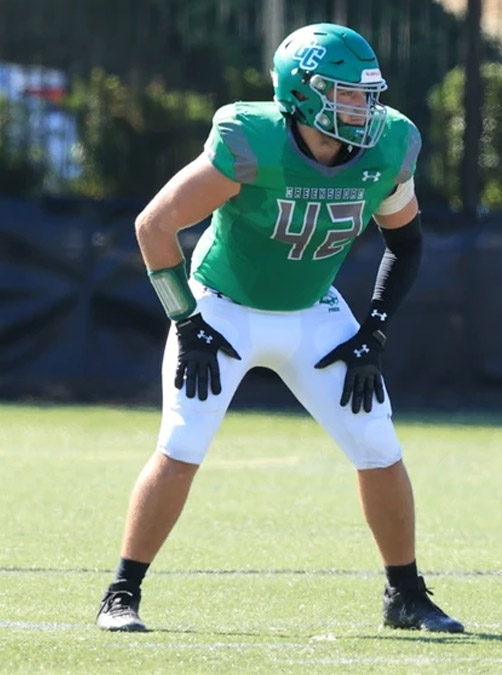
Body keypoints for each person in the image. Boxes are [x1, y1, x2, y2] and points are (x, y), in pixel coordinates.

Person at [94, 23, 462, 634]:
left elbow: (406, 242)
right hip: (222, 306)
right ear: (301, 94)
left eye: (366, 94)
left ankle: (406, 596)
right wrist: (188, 323)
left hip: (314, 309)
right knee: (182, 445)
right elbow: (154, 228)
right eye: (345, 94)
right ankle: (121, 592)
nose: (362, 108)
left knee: (378, 446)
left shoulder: (391, 143)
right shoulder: (252, 140)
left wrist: (374, 328)